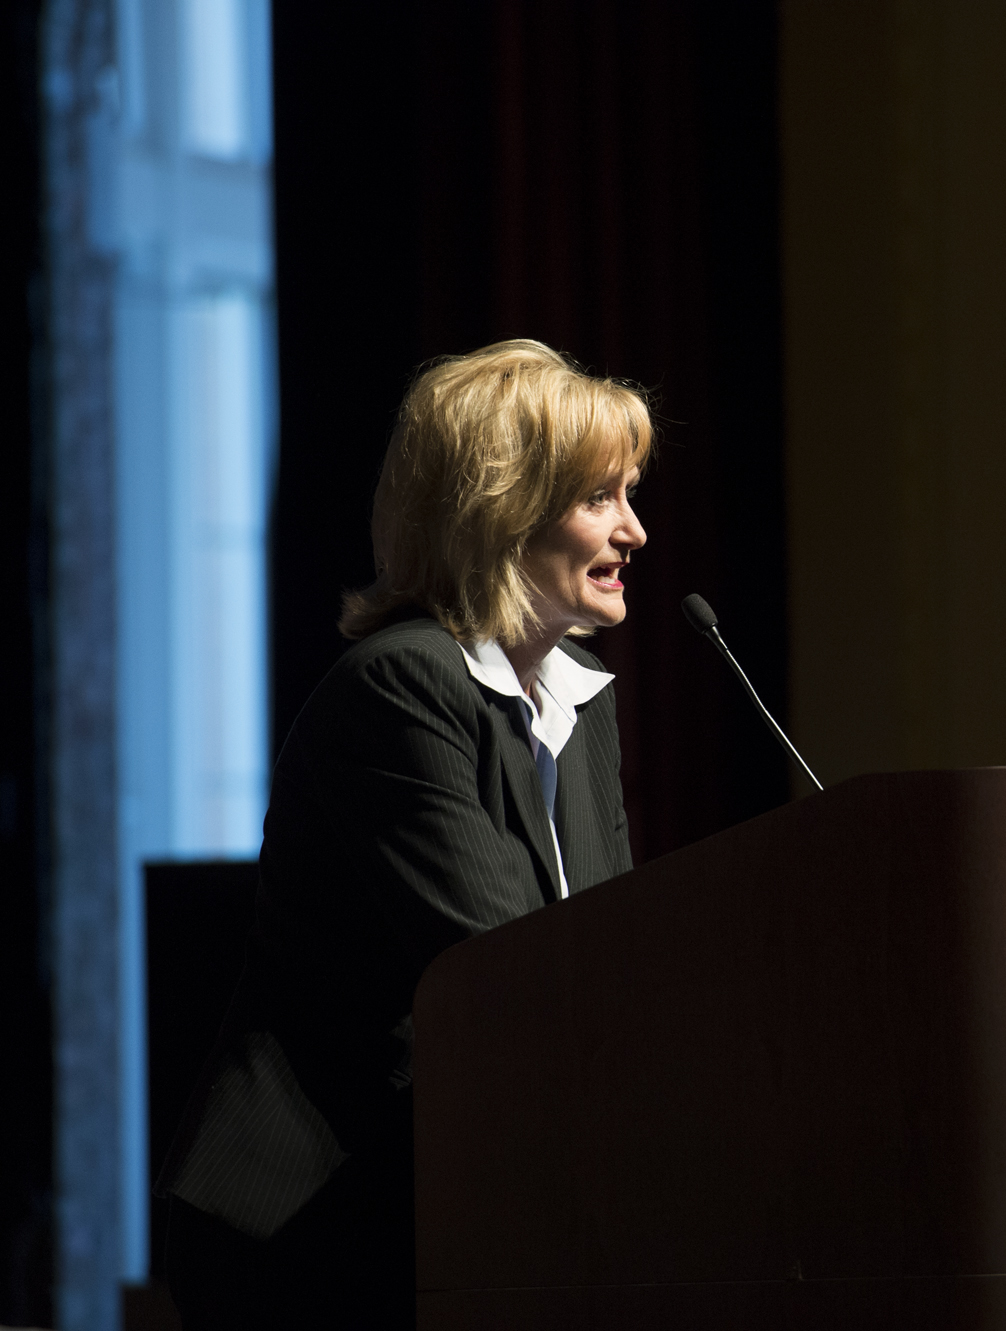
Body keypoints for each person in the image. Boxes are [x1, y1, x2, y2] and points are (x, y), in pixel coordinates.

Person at [158, 340, 651, 1329]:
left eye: (630, 493)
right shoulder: (405, 684)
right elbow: (509, 971)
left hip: (457, 1207)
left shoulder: (577, 710)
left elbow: (613, 955)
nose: (634, 529)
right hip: (318, 1224)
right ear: (502, 506)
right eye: (599, 497)